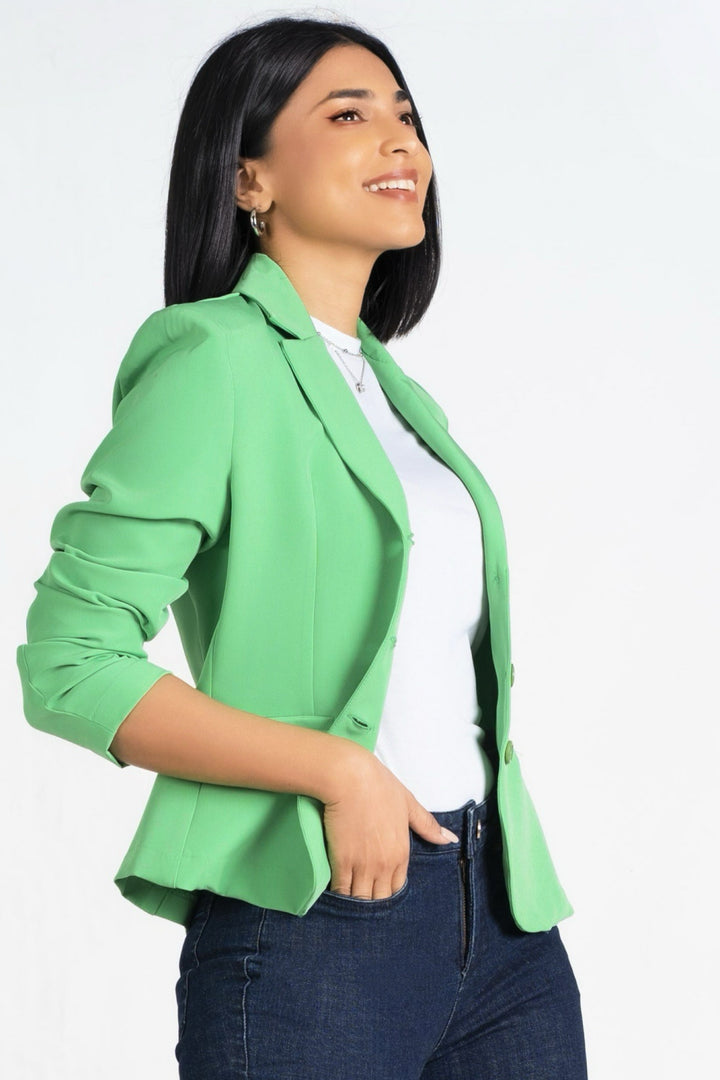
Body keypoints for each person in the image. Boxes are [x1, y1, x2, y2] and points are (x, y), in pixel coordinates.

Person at [16, 14, 588, 1080]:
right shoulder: (212, 359)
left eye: (406, 115)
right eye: (349, 115)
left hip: (504, 919)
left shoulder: (398, 397)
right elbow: (69, 662)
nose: (401, 139)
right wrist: (336, 771)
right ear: (249, 179)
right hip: (318, 915)